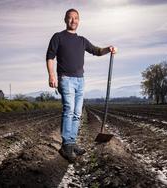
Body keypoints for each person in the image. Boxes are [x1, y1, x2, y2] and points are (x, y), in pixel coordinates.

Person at [46, 8, 117, 163]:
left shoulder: (82, 40)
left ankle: (71, 142)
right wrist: (52, 75)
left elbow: (97, 51)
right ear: (65, 20)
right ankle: (66, 146)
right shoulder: (58, 37)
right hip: (65, 79)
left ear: (79, 20)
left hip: (80, 80)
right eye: (70, 18)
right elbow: (50, 57)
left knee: (78, 112)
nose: (73, 21)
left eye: (76, 18)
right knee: (69, 110)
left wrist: (109, 49)